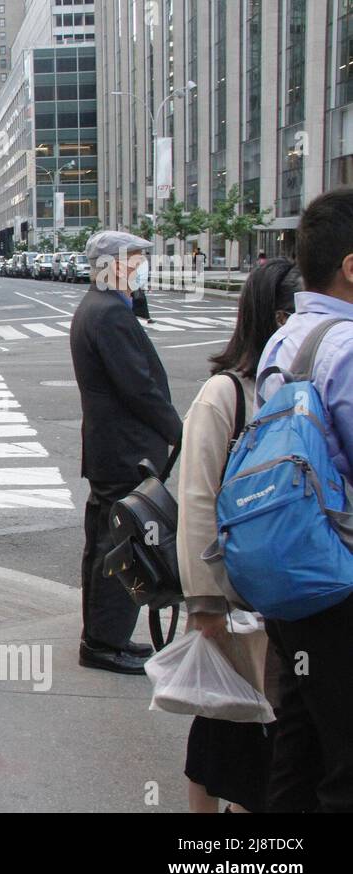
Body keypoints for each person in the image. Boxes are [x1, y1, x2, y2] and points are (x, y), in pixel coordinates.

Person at [176, 260, 297, 813]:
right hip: (235, 600)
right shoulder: (226, 394)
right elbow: (197, 500)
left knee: (272, 736)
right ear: (277, 316)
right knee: (225, 725)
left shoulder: (309, 385)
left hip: (291, 596)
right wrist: (204, 602)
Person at [254, 188, 353, 812]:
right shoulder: (345, 346)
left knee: (299, 738)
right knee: (345, 760)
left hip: (289, 571)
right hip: (340, 577)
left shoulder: (285, 339)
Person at [69, 230, 182, 674]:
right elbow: (138, 387)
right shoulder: (109, 313)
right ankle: (103, 642)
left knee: (103, 545)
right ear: (111, 264)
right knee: (120, 548)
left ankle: (103, 636)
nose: (140, 267)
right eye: (134, 259)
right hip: (124, 451)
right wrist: (179, 430)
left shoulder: (99, 307)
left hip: (110, 450)